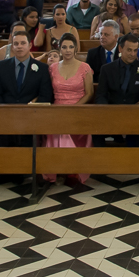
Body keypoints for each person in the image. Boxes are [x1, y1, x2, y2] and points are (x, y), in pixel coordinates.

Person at [0, 27, 53, 184]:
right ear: (12, 46)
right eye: (16, 44)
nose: (19, 46)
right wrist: (6, 111)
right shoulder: (2, 66)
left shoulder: (41, 69)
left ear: (29, 45)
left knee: (26, 136)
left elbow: (45, 95)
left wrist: (29, 110)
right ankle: (5, 171)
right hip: (6, 114)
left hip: (31, 116)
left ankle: (23, 170)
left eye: (23, 43)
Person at [41, 33, 94, 185]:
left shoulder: (85, 67)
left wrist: (74, 109)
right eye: (64, 47)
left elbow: (89, 93)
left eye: (71, 47)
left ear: (76, 49)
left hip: (78, 111)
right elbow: (48, 92)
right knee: (56, 129)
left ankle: (74, 170)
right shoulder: (52, 68)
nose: (68, 50)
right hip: (57, 112)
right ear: (59, 49)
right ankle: (58, 169)